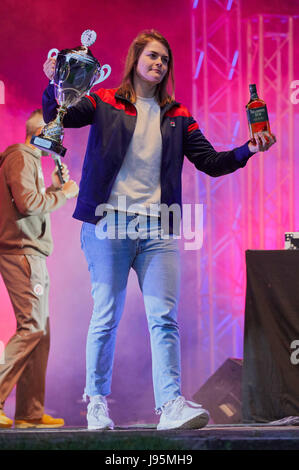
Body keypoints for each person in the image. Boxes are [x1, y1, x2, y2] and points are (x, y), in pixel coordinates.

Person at [42, 29, 276, 430]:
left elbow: (211, 161)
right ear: (136, 59)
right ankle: (96, 403)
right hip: (109, 221)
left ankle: (170, 405)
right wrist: (55, 82)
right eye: (152, 56)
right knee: (106, 316)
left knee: (164, 318)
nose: (159, 64)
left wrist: (248, 149)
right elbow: (58, 116)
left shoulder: (178, 114)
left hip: (159, 227)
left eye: (165, 59)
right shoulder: (105, 100)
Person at [0, 109, 79, 428]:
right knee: (32, 327)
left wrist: (52, 190)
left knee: (40, 333)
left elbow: (30, 202)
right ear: (41, 132)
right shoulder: (21, 156)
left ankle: (30, 413)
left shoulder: (28, 159)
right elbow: (28, 205)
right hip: (22, 252)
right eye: (56, 133)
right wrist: (62, 193)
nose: (59, 141)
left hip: (31, 252)